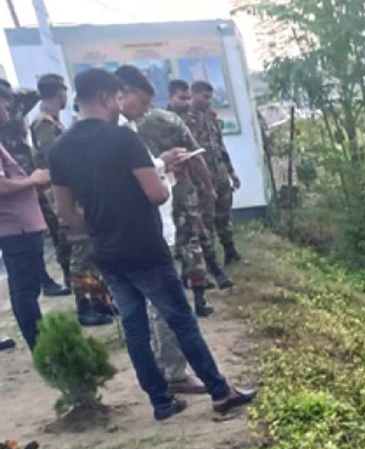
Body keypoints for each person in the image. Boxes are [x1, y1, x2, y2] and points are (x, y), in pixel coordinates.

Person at [49, 68, 255, 420]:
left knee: (134, 327)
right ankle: (220, 393)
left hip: (107, 251)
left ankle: (161, 402)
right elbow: (157, 194)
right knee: (181, 319)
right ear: (104, 97)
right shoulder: (123, 140)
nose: (118, 106)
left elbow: (64, 211)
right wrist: (167, 176)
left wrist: (100, 226)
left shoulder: (60, 149)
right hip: (144, 245)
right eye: (116, 98)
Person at [121, 69, 224, 317]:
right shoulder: (170, 121)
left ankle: (167, 299)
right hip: (180, 186)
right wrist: (209, 187)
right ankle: (199, 299)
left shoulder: (127, 127)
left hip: (147, 193)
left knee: (161, 245)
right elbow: (196, 156)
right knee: (191, 241)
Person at [30, 73, 112, 327]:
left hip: (75, 192)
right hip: (64, 195)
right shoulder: (44, 124)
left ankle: (100, 301)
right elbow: (55, 157)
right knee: (80, 250)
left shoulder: (54, 122)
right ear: (60, 93)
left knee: (91, 250)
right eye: (64, 92)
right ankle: (85, 306)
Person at [0, 79, 69, 299]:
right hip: (16, 181)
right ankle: (45, 279)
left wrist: (10, 94)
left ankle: (56, 276)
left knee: (44, 229)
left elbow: (33, 92)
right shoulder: (42, 123)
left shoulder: (16, 105)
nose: (7, 110)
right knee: (29, 242)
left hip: (26, 171)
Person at [0, 82, 52, 351]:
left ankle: (40, 342)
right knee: (25, 291)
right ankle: (40, 345)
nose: (8, 108)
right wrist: (32, 180)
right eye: (4, 102)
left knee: (26, 289)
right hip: (15, 227)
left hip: (20, 225)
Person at [189, 80, 242, 266]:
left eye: (210, 97)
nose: (209, 101)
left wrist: (231, 171)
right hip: (202, 177)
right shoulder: (185, 120)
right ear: (193, 94)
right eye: (205, 97)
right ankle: (210, 261)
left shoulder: (211, 118)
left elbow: (220, 146)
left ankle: (230, 250)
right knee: (207, 218)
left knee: (224, 212)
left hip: (219, 172)